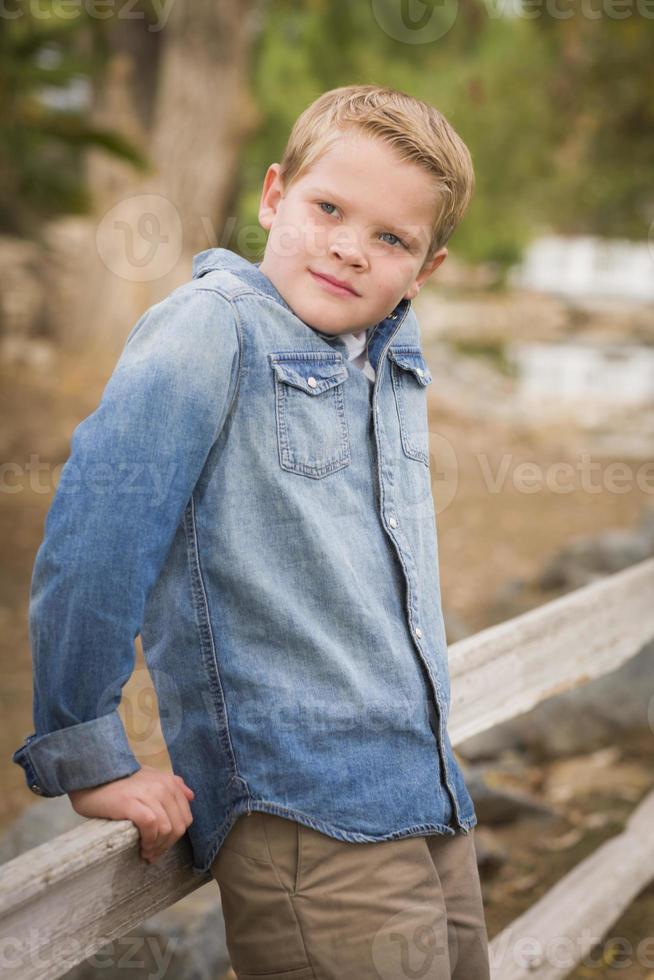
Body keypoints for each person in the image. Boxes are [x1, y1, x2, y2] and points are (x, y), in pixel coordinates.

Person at [12, 84, 490, 978]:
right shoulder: (211, 331)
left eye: (393, 239)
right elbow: (95, 538)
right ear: (274, 197)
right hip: (309, 817)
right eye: (329, 209)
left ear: (424, 271)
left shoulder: (384, 358)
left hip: (426, 796)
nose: (350, 247)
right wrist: (89, 754)